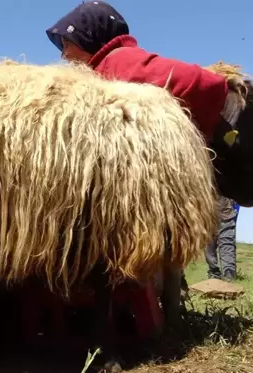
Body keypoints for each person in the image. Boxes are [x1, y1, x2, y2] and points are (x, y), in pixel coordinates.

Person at [45, 0, 253, 209]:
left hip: (234, 117)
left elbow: (190, 86)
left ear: (88, 36)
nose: (64, 55)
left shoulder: (118, 63)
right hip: (218, 130)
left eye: (66, 44)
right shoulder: (112, 65)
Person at [205, 196, 240, 281]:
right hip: (210, 210)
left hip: (224, 209)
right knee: (210, 244)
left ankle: (227, 274)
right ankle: (218, 273)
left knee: (223, 243)